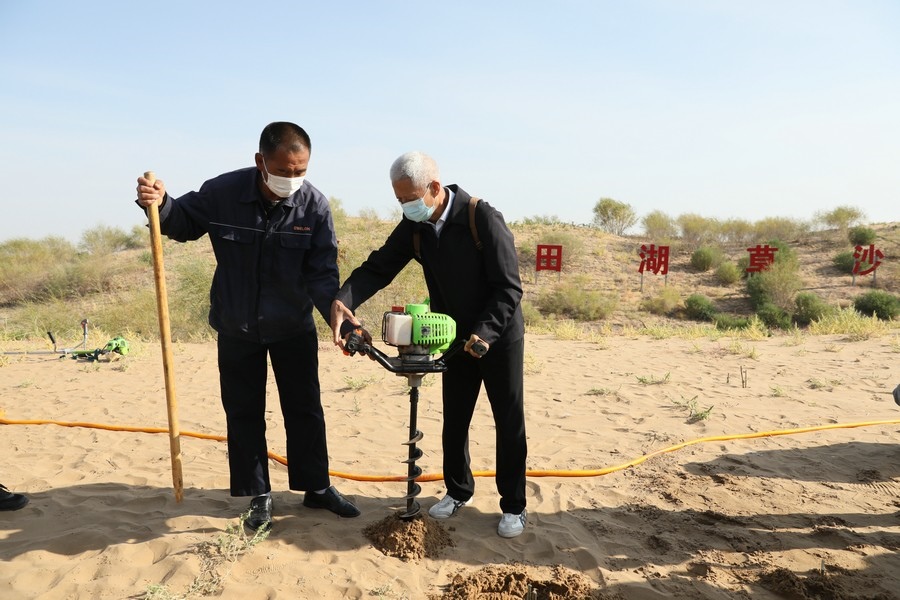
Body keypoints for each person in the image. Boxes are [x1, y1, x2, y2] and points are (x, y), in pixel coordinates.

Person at [135, 122, 359, 532]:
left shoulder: (314, 206)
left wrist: (338, 315)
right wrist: (161, 203)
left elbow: (322, 273)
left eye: (301, 170)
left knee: (305, 409)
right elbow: (182, 222)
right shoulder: (223, 193)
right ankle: (259, 495)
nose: (292, 179)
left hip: (292, 326)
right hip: (237, 324)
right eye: (284, 170)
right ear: (261, 162)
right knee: (243, 412)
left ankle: (316, 487)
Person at [331, 151, 528, 538]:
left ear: (435, 188)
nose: (406, 206)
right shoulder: (415, 227)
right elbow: (378, 267)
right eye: (400, 200)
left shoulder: (481, 218)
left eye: (410, 198)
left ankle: (514, 506)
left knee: (508, 420)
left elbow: (509, 288)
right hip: (453, 337)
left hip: (498, 335)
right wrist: (343, 301)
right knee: (455, 418)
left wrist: (485, 333)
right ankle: (458, 491)